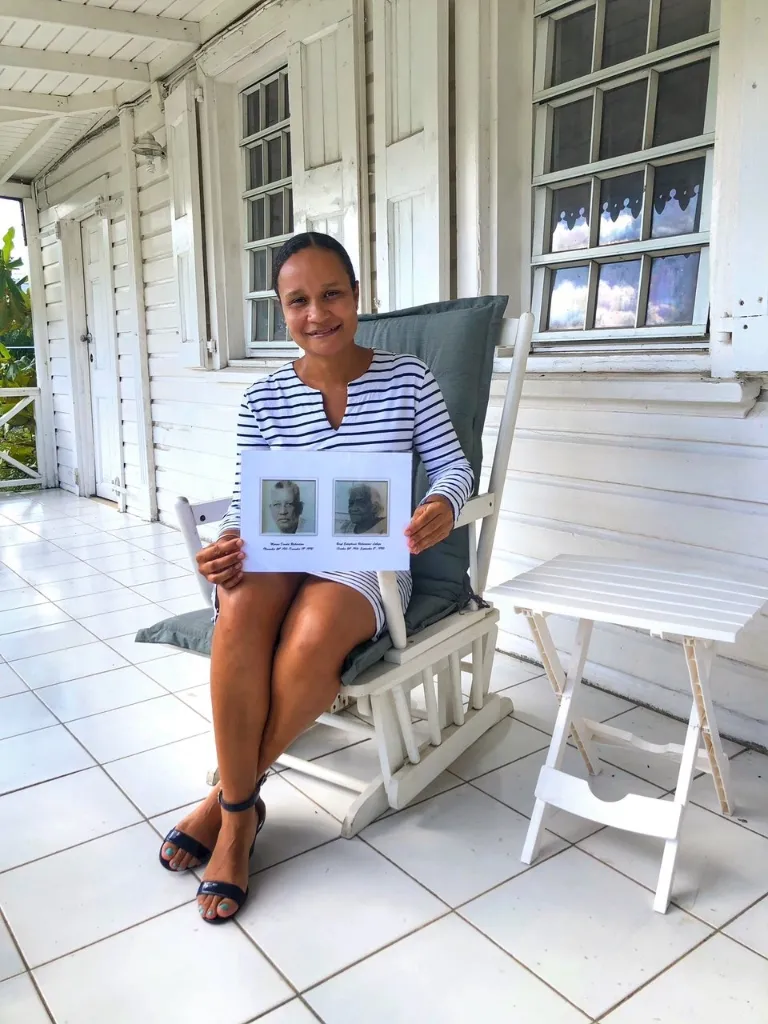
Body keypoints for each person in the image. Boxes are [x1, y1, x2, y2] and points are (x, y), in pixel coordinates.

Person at [158, 231, 473, 924]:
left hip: (365, 561)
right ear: (282, 311)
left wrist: (439, 505)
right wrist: (226, 546)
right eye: (298, 301)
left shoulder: (408, 379)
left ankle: (228, 811)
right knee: (235, 606)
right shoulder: (265, 398)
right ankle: (243, 807)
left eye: (332, 294)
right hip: (283, 547)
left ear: (357, 298)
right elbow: (247, 505)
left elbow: (455, 467)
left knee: (307, 640)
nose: (317, 313)